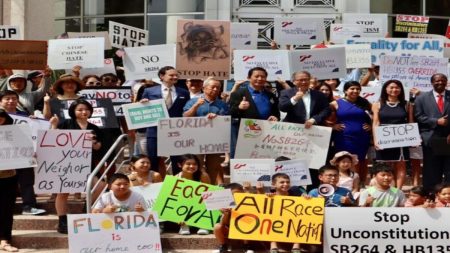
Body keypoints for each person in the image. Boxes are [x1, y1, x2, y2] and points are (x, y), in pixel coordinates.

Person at [49, 99, 106, 234]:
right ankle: (62, 222)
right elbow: (52, 140)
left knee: (100, 186)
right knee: (63, 193)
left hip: (88, 164)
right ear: (73, 112)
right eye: (80, 110)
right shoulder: (66, 124)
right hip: (67, 164)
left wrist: (93, 143)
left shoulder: (94, 128)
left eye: (86, 109)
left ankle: (85, 212)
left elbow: (99, 147)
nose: (83, 112)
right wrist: (53, 126)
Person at [0, 90, 46, 215]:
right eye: (7, 98)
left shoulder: (25, 115)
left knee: (27, 180)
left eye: (14, 98)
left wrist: (35, 121)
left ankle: (29, 206)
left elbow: (33, 134)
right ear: (1, 101)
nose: (11, 101)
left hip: (23, 153)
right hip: (3, 156)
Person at [141, 66, 190, 176]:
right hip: (154, 131)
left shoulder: (184, 92)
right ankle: (154, 185)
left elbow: (186, 110)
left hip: (176, 131)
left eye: (176, 75)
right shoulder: (149, 91)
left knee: (177, 160)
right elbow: (141, 109)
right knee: (153, 159)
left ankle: (176, 183)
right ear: (162, 76)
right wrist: (143, 103)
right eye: (171, 75)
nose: (175, 77)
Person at [183, 77, 229, 185]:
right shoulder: (193, 101)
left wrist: (217, 117)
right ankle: (195, 188)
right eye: (213, 87)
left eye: (218, 88)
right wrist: (196, 106)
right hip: (196, 140)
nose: (215, 89)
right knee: (195, 166)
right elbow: (185, 117)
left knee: (213, 168)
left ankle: (210, 190)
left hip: (215, 141)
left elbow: (227, 120)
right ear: (204, 88)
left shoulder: (222, 104)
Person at [229, 67, 280, 158]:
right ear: (249, 78)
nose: (260, 79)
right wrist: (239, 108)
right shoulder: (238, 94)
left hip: (266, 134)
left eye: (263, 77)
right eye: (256, 76)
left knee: (264, 159)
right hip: (246, 134)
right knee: (245, 160)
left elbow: (276, 113)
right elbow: (230, 114)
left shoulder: (270, 95)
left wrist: (275, 117)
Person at [330, 81, 372, 186]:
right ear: (345, 90)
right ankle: (343, 184)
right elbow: (323, 117)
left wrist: (371, 126)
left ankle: (357, 184)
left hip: (362, 138)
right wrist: (332, 126)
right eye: (352, 89)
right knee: (344, 161)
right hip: (343, 138)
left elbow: (376, 115)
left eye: (357, 89)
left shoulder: (365, 103)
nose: (355, 91)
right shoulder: (336, 103)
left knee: (359, 161)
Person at [414, 73, 450, 193]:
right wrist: (436, 121)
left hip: (448, 137)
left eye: (443, 80)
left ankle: (447, 195)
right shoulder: (421, 98)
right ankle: (431, 194)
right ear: (432, 82)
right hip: (430, 138)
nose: (440, 82)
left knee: (449, 168)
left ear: (446, 82)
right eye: (437, 81)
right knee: (431, 168)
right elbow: (419, 116)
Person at [372, 80, 411, 190]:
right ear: (385, 89)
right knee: (384, 166)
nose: (394, 90)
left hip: (401, 138)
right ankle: (384, 189)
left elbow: (410, 123)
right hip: (384, 137)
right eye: (391, 87)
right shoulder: (378, 104)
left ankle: (398, 191)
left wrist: (413, 139)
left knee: (401, 165)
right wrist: (376, 140)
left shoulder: (407, 104)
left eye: (397, 87)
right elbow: (375, 123)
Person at [212, 183, 254, 253]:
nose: (236, 197)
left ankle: (246, 246)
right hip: (229, 229)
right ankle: (223, 246)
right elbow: (224, 223)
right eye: (233, 195)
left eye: (238, 194)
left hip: (243, 229)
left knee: (246, 224)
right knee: (217, 227)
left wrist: (248, 190)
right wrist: (226, 214)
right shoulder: (224, 206)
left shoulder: (247, 203)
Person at [176, 154, 211, 235]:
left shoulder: (203, 176)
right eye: (188, 164)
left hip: (201, 204)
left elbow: (210, 194)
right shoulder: (176, 178)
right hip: (184, 207)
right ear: (179, 165)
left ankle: (204, 224)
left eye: (194, 164)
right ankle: (184, 225)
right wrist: (176, 216)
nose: (192, 166)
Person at [0, 110, 19, 252]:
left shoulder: (15, 134)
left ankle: (4, 240)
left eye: (1, 118)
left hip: (8, 178)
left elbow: (26, 151)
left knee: (6, 210)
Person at [268, 173, 301, 253]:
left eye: (287, 182)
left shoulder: (295, 194)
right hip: (277, 222)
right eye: (282, 182)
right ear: (273, 184)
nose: (285, 184)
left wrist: (306, 198)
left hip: (292, 221)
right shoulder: (270, 196)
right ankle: (273, 245)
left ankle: (296, 245)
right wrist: (266, 198)